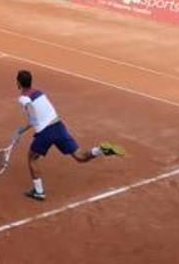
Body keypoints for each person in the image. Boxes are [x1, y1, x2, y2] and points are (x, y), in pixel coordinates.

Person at [11, 70, 125, 201]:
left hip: (45, 132)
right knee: (80, 157)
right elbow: (38, 116)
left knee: (32, 158)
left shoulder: (23, 98)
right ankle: (101, 150)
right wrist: (24, 128)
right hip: (59, 126)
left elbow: (32, 114)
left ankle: (39, 191)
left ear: (18, 83)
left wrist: (25, 128)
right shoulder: (40, 93)